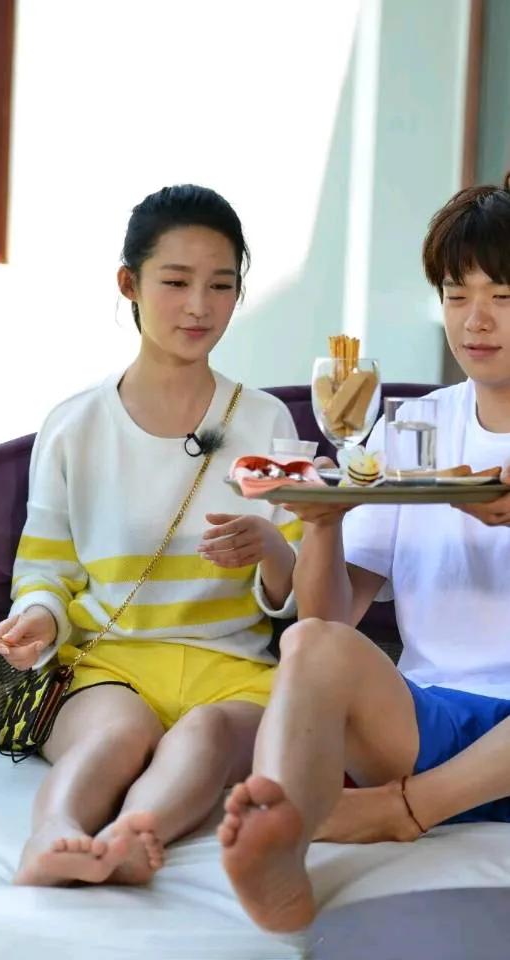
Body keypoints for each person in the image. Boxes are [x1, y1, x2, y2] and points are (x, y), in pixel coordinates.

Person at [217, 173, 510, 934]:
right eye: (456, 295)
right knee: (310, 645)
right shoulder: (414, 429)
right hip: (428, 725)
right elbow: (332, 620)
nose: (475, 320)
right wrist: (323, 520)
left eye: (503, 297)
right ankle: (281, 849)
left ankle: (400, 813)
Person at [0, 184, 301, 887]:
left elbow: (300, 593)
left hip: (236, 668)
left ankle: (133, 840)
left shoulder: (267, 423)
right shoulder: (75, 425)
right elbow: (46, 572)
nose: (200, 307)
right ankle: (53, 837)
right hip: (111, 666)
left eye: (221, 285)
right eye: (176, 282)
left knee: (207, 736)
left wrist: (273, 551)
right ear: (129, 284)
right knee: (117, 735)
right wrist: (38, 619)